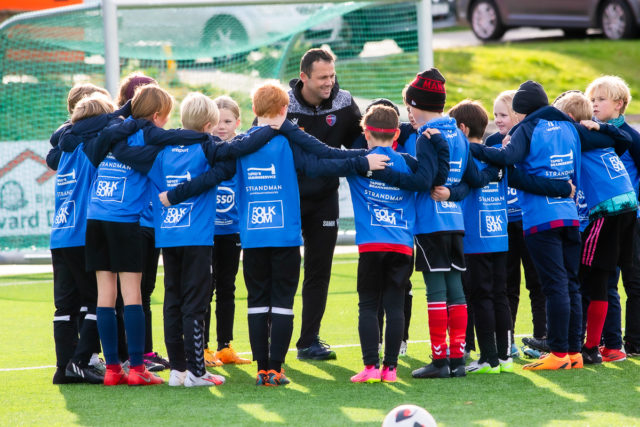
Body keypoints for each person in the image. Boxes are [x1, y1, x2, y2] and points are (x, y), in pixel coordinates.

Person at [165, 83, 389, 386]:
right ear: (285, 110)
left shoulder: (240, 145)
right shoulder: (289, 141)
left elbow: (214, 173)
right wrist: (363, 161)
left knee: (257, 301)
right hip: (285, 236)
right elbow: (321, 162)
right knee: (282, 302)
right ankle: (275, 369)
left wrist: (174, 194)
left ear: (254, 111)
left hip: (253, 237)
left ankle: (260, 369)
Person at [370, 69, 499, 379]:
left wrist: (383, 172)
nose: (408, 114)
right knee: (456, 290)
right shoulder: (459, 134)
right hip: (455, 223)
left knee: (435, 292)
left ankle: (439, 361)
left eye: (409, 107)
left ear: (418, 104)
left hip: (430, 224)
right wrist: (451, 193)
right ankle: (457, 360)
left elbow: (423, 182)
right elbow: (473, 181)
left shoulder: (428, 136)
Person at [470, 80, 583, 371]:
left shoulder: (527, 128)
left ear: (521, 109)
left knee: (554, 285)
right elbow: (576, 174)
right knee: (571, 284)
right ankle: (573, 352)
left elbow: (508, 159)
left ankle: (557, 352)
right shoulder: (569, 127)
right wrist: (563, 190)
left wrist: (474, 149)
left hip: (541, 219)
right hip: (570, 216)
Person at [87, 85, 175, 386]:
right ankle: (138, 369)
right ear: (156, 115)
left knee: (105, 296)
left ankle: (112, 370)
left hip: (96, 218)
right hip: (125, 222)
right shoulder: (149, 141)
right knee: (133, 294)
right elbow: (165, 185)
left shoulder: (113, 131)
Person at [287, 48, 363, 360]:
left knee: (319, 270)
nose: (329, 82)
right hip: (287, 199)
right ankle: (273, 341)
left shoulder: (344, 102)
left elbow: (361, 144)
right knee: (285, 271)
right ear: (304, 77)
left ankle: (309, 341)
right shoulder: (282, 104)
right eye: (322, 78)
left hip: (324, 200)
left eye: (331, 76)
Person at [46, 91, 125, 385]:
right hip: (83, 233)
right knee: (99, 300)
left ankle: (64, 367)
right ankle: (80, 360)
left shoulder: (64, 150)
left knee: (65, 306)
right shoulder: (91, 148)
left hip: (61, 234)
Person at [347, 105, 422, 383]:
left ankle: (370, 366)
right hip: (402, 246)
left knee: (367, 305)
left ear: (366, 133)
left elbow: (328, 162)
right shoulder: (408, 163)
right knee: (395, 306)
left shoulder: (359, 163)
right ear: (395, 137)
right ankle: (390, 369)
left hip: (371, 246)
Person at [116, 72, 170, 371]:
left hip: (151, 222)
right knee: (129, 293)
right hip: (130, 222)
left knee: (144, 290)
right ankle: (128, 355)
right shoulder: (120, 134)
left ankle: (143, 353)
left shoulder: (152, 134)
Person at [586, 76, 640, 359]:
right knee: (606, 282)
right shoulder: (596, 134)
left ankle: (633, 342)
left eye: (601, 100)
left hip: (630, 218)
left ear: (619, 104)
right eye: (592, 100)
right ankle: (611, 342)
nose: (594, 104)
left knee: (633, 281)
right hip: (606, 217)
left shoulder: (629, 137)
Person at [489, 91, 547, 358]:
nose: (498, 120)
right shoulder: (491, 141)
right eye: (496, 115)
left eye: (504, 115)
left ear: (518, 116)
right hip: (502, 224)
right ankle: (507, 340)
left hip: (528, 221)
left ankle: (542, 338)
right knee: (506, 284)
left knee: (537, 282)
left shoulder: (532, 138)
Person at [204, 96, 251, 366]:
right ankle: (205, 348)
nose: (222, 127)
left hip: (232, 231)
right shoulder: (204, 149)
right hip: (206, 233)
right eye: (217, 121)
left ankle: (225, 347)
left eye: (228, 121)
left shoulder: (242, 150)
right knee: (205, 289)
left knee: (227, 288)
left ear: (238, 123)